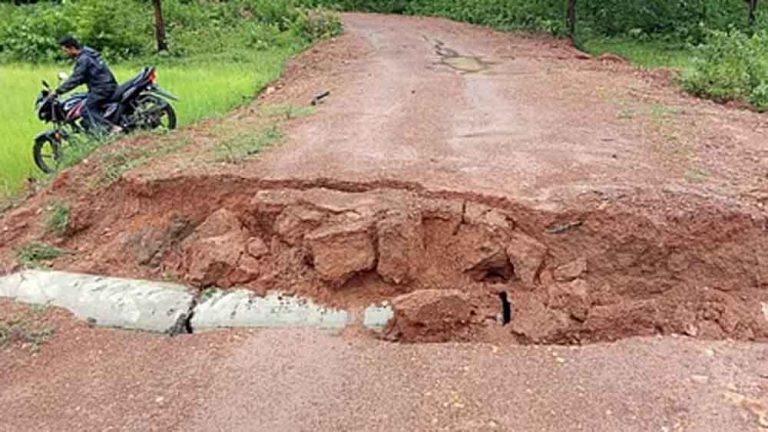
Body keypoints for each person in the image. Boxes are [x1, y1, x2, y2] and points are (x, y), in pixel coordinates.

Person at [52, 36, 121, 134]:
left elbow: (76, 78)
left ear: (72, 48)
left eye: (65, 50)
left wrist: (57, 91)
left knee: (85, 110)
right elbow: (83, 77)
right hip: (106, 86)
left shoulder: (84, 59)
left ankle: (111, 128)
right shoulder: (89, 54)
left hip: (102, 89)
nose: (65, 53)